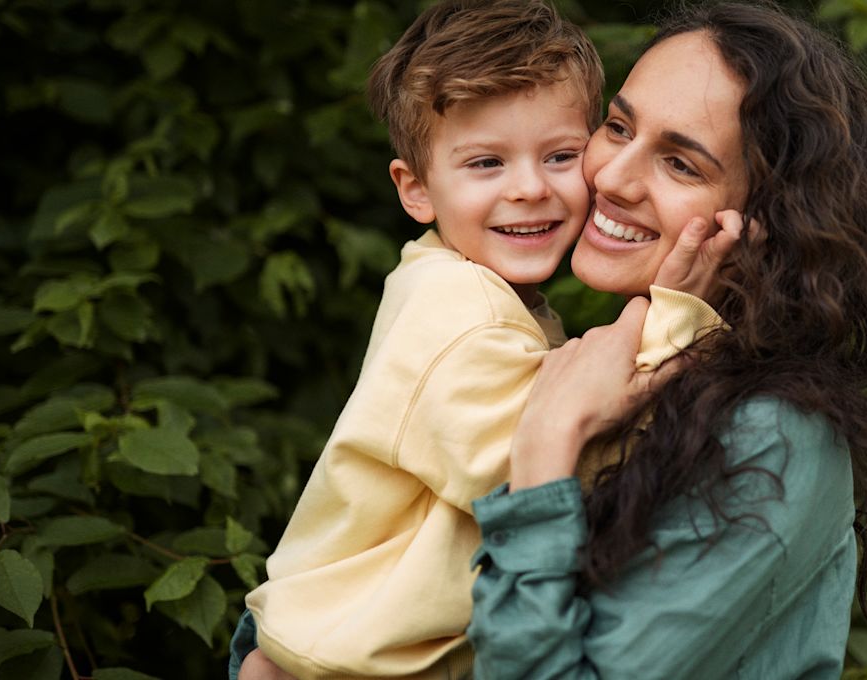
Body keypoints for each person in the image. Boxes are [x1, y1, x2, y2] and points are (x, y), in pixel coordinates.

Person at [232, 1, 739, 678]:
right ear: (415, 189)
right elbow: (554, 458)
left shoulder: (481, 293)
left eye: (560, 155)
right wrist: (682, 314)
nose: (529, 189)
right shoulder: (455, 309)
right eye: (485, 164)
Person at [464, 2, 867, 678]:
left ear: (768, 221)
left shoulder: (775, 436)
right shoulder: (636, 364)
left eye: (680, 165)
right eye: (618, 126)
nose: (610, 176)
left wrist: (546, 442)